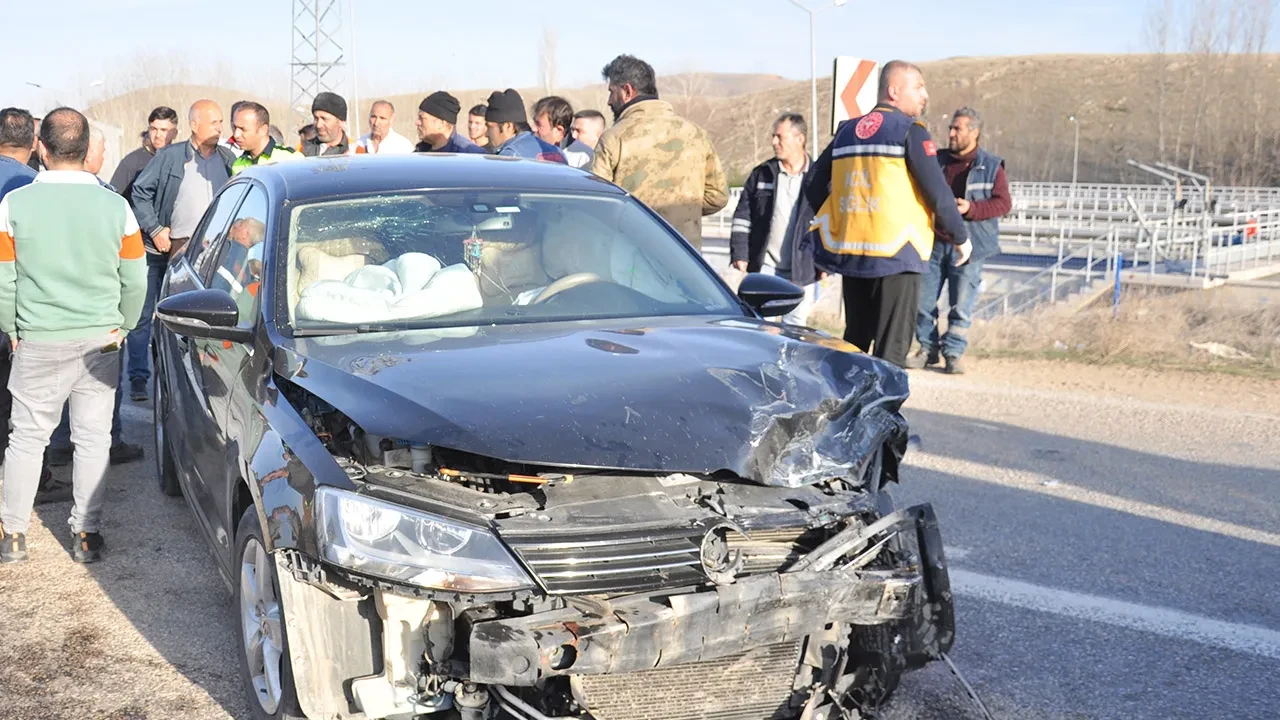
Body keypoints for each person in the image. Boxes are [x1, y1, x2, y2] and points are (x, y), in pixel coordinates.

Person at [0, 108, 147, 564]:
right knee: (93, 438)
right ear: (85, 152)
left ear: (41, 149)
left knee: (26, 439)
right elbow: (136, 278)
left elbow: (5, 277)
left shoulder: (14, 205)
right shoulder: (116, 206)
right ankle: (86, 533)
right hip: (100, 339)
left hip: (38, 338)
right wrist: (124, 326)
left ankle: (14, 536)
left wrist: (12, 328)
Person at [804, 60, 971, 368]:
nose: (925, 95)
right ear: (894, 91)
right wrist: (959, 235)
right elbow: (937, 191)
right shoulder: (911, 132)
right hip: (899, 252)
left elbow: (814, 183)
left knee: (854, 341)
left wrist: (844, 217)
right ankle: (883, 414)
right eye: (918, 87)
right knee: (891, 352)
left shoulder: (846, 131)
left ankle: (848, 410)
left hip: (855, 252)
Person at [129, 100, 235, 401]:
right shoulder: (172, 157)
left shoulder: (227, 159)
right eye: (213, 122)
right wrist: (155, 228)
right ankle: (139, 377)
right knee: (144, 316)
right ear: (194, 124)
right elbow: (140, 191)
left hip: (207, 253)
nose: (220, 127)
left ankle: (190, 380)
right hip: (163, 249)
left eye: (220, 122)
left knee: (195, 319)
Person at [907, 107, 1011, 374]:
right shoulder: (936, 160)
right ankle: (926, 349)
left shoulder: (991, 166)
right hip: (932, 242)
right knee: (922, 302)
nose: (951, 133)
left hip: (969, 246)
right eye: (951, 128)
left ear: (974, 133)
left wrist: (972, 209)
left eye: (958, 128)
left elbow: (1003, 204)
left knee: (961, 305)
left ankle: (953, 353)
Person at [591, 54, 727, 250]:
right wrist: (681, 214)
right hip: (686, 256)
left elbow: (599, 201)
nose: (609, 101)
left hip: (633, 252)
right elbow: (717, 196)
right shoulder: (696, 134)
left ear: (627, 90)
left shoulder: (614, 138)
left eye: (612, 92)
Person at [729, 113, 816, 326]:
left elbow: (830, 221)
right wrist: (740, 252)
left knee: (795, 327)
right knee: (761, 326)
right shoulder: (762, 174)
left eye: (779, 137)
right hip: (765, 266)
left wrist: (826, 265)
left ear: (800, 139)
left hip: (802, 268)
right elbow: (743, 214)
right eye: (773, 136)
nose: (773, 142)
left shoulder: (818, 177)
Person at [110, 106, 178, 205]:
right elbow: (113, 199)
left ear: (174, 133)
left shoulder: (179, 161)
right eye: (154, 129)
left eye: (163, 130)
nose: (158, 135)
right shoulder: (132, 162)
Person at [484, 89, 566, 163]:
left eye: (489, 127)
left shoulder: (509, 156)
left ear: (509, 127)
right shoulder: (558, 153)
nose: (486, 134)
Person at [231, 102, 301, 174]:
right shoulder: (238, 165)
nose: (236, 135)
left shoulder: (290, 159)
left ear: (263, 130)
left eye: (243, 129)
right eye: (234, 127)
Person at [414, 92, 487, 154]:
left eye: (421, 118)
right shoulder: (420, 152)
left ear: (441, 124)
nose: (417, 122)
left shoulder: (470, 155)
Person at [533, 96, 594, 169]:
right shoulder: (527, 149)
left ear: (559, 131)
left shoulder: (583, 156)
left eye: (539, 124)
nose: (533, 128)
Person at [302, 92, 352, 157]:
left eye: (324, 119)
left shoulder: (355, 151)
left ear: (341, 122)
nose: (318, 125)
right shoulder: (302, 149)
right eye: (316, 118)